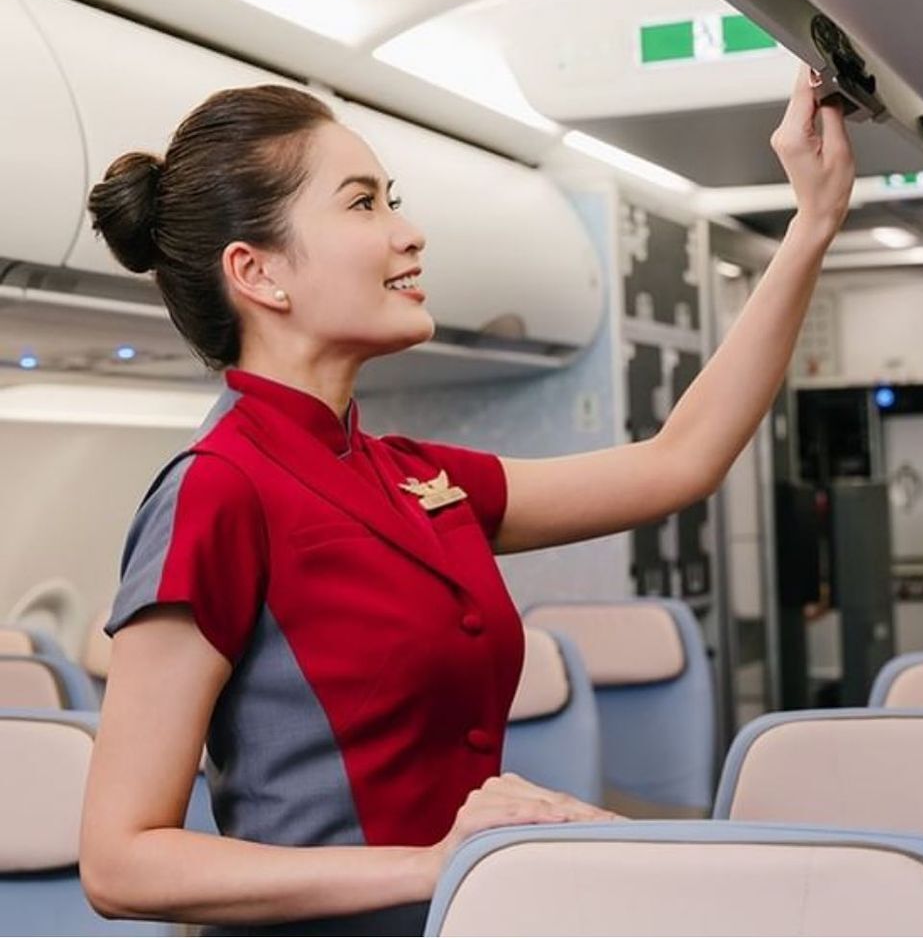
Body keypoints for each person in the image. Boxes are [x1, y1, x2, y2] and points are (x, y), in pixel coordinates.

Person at [79, 67, 854, 934]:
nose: (409, 234)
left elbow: (680, 462)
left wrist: (811, 226)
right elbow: (122, 859)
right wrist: (438, 862)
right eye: (363, 205)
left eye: (392, 201)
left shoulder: (410, 476)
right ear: (258, 273)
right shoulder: (216, 490)